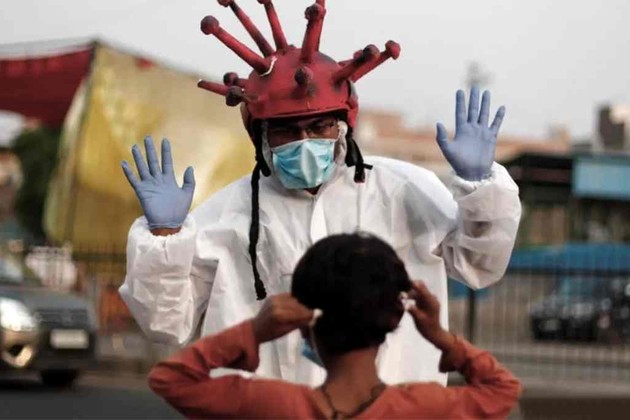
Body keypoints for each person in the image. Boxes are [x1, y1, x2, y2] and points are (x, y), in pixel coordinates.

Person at [119, 0, 522, 385]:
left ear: (343, 126)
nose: (304, 141)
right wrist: (164, 239)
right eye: (286, 131)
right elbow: (166, 324)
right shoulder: (226, 214)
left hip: (389, 406)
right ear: (260, 137)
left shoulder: (404, 190)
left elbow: (479, 265)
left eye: (318, 126)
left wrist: (480, 189)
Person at [148, 233, 522, 419]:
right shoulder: (424, 407)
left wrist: (254, 331)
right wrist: (441, 337)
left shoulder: (270, 405)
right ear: (394, 318)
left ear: (301, 325)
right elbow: (502, 389)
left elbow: (170, 379)